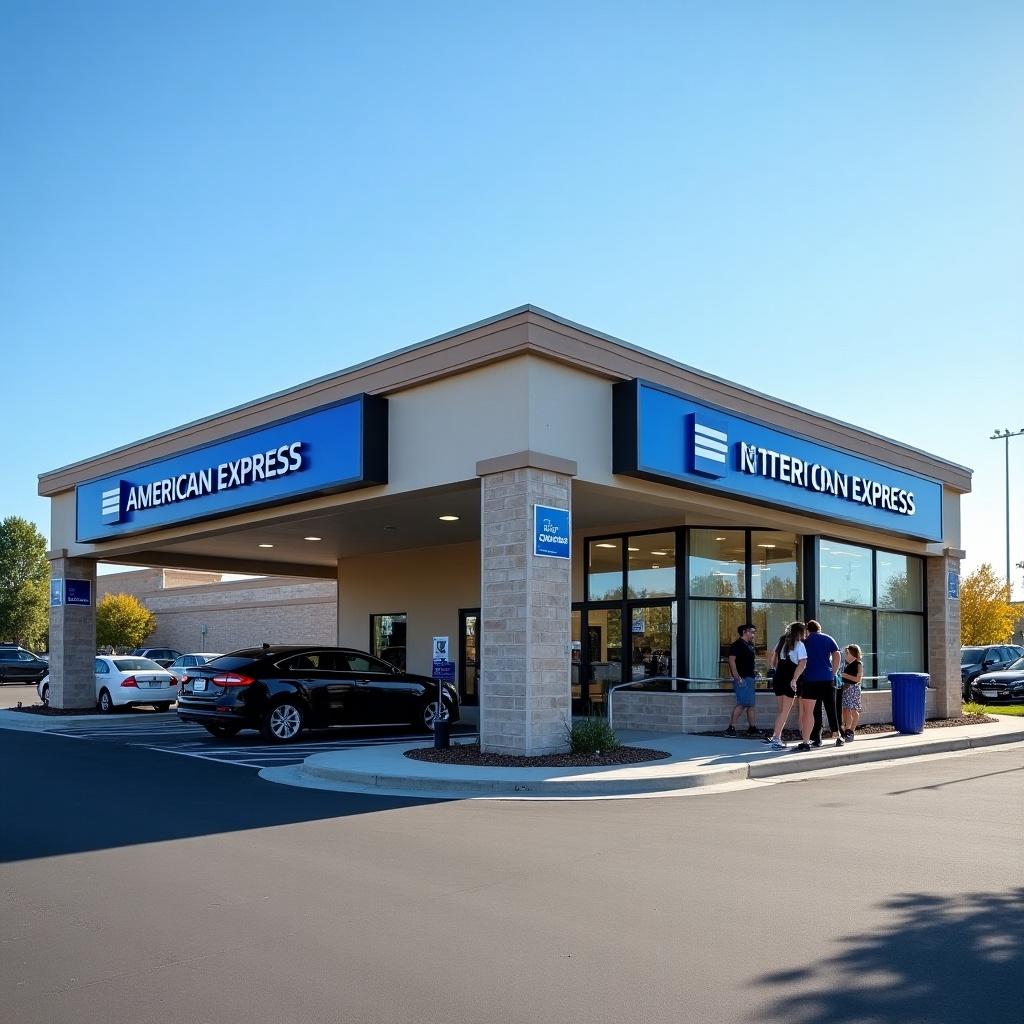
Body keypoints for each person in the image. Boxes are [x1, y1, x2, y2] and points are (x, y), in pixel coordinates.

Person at [796, 619, 844, 751]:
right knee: (831, 707)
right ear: (819, 628)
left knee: (814, 711)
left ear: (808, 629)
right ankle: (838, 735)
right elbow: (837, 655)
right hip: (826, 678)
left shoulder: (804, 641)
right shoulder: (828, 638)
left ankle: (817, 738)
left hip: (810, 679)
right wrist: (833, 671)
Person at [764, 621, 807, 749]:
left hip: (778, 677)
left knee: (781, 711)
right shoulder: (799, 645)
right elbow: (802, 663)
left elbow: (773, 657)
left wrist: (775, 669)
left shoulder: (782, 640)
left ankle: (775, 735)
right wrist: (794, 679)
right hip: (789, 678)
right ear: (800, 632)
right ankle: (776, 738)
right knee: (785, 711)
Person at [724, 623, 760, 736]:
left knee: (751, 704)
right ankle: (731, 728)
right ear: (745, 631)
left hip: (750, 677)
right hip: (742, 678)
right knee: (742, 704)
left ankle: (752, 728)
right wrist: (736, 676)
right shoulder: (737, 644)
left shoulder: (750, 645)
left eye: (754, 632)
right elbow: (731, 660)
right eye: (752, 631)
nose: (754, 634)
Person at [840, 644, 864, 740]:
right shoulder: (846, 664)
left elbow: (858, 679)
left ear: (853, 653)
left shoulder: (859, 664)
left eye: (847, 653)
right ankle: (847, 729)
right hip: (846, 689)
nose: (845, 655)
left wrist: (844, 675)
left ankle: (851, 731)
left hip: (853, 689)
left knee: (853, 710)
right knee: (845, 709)